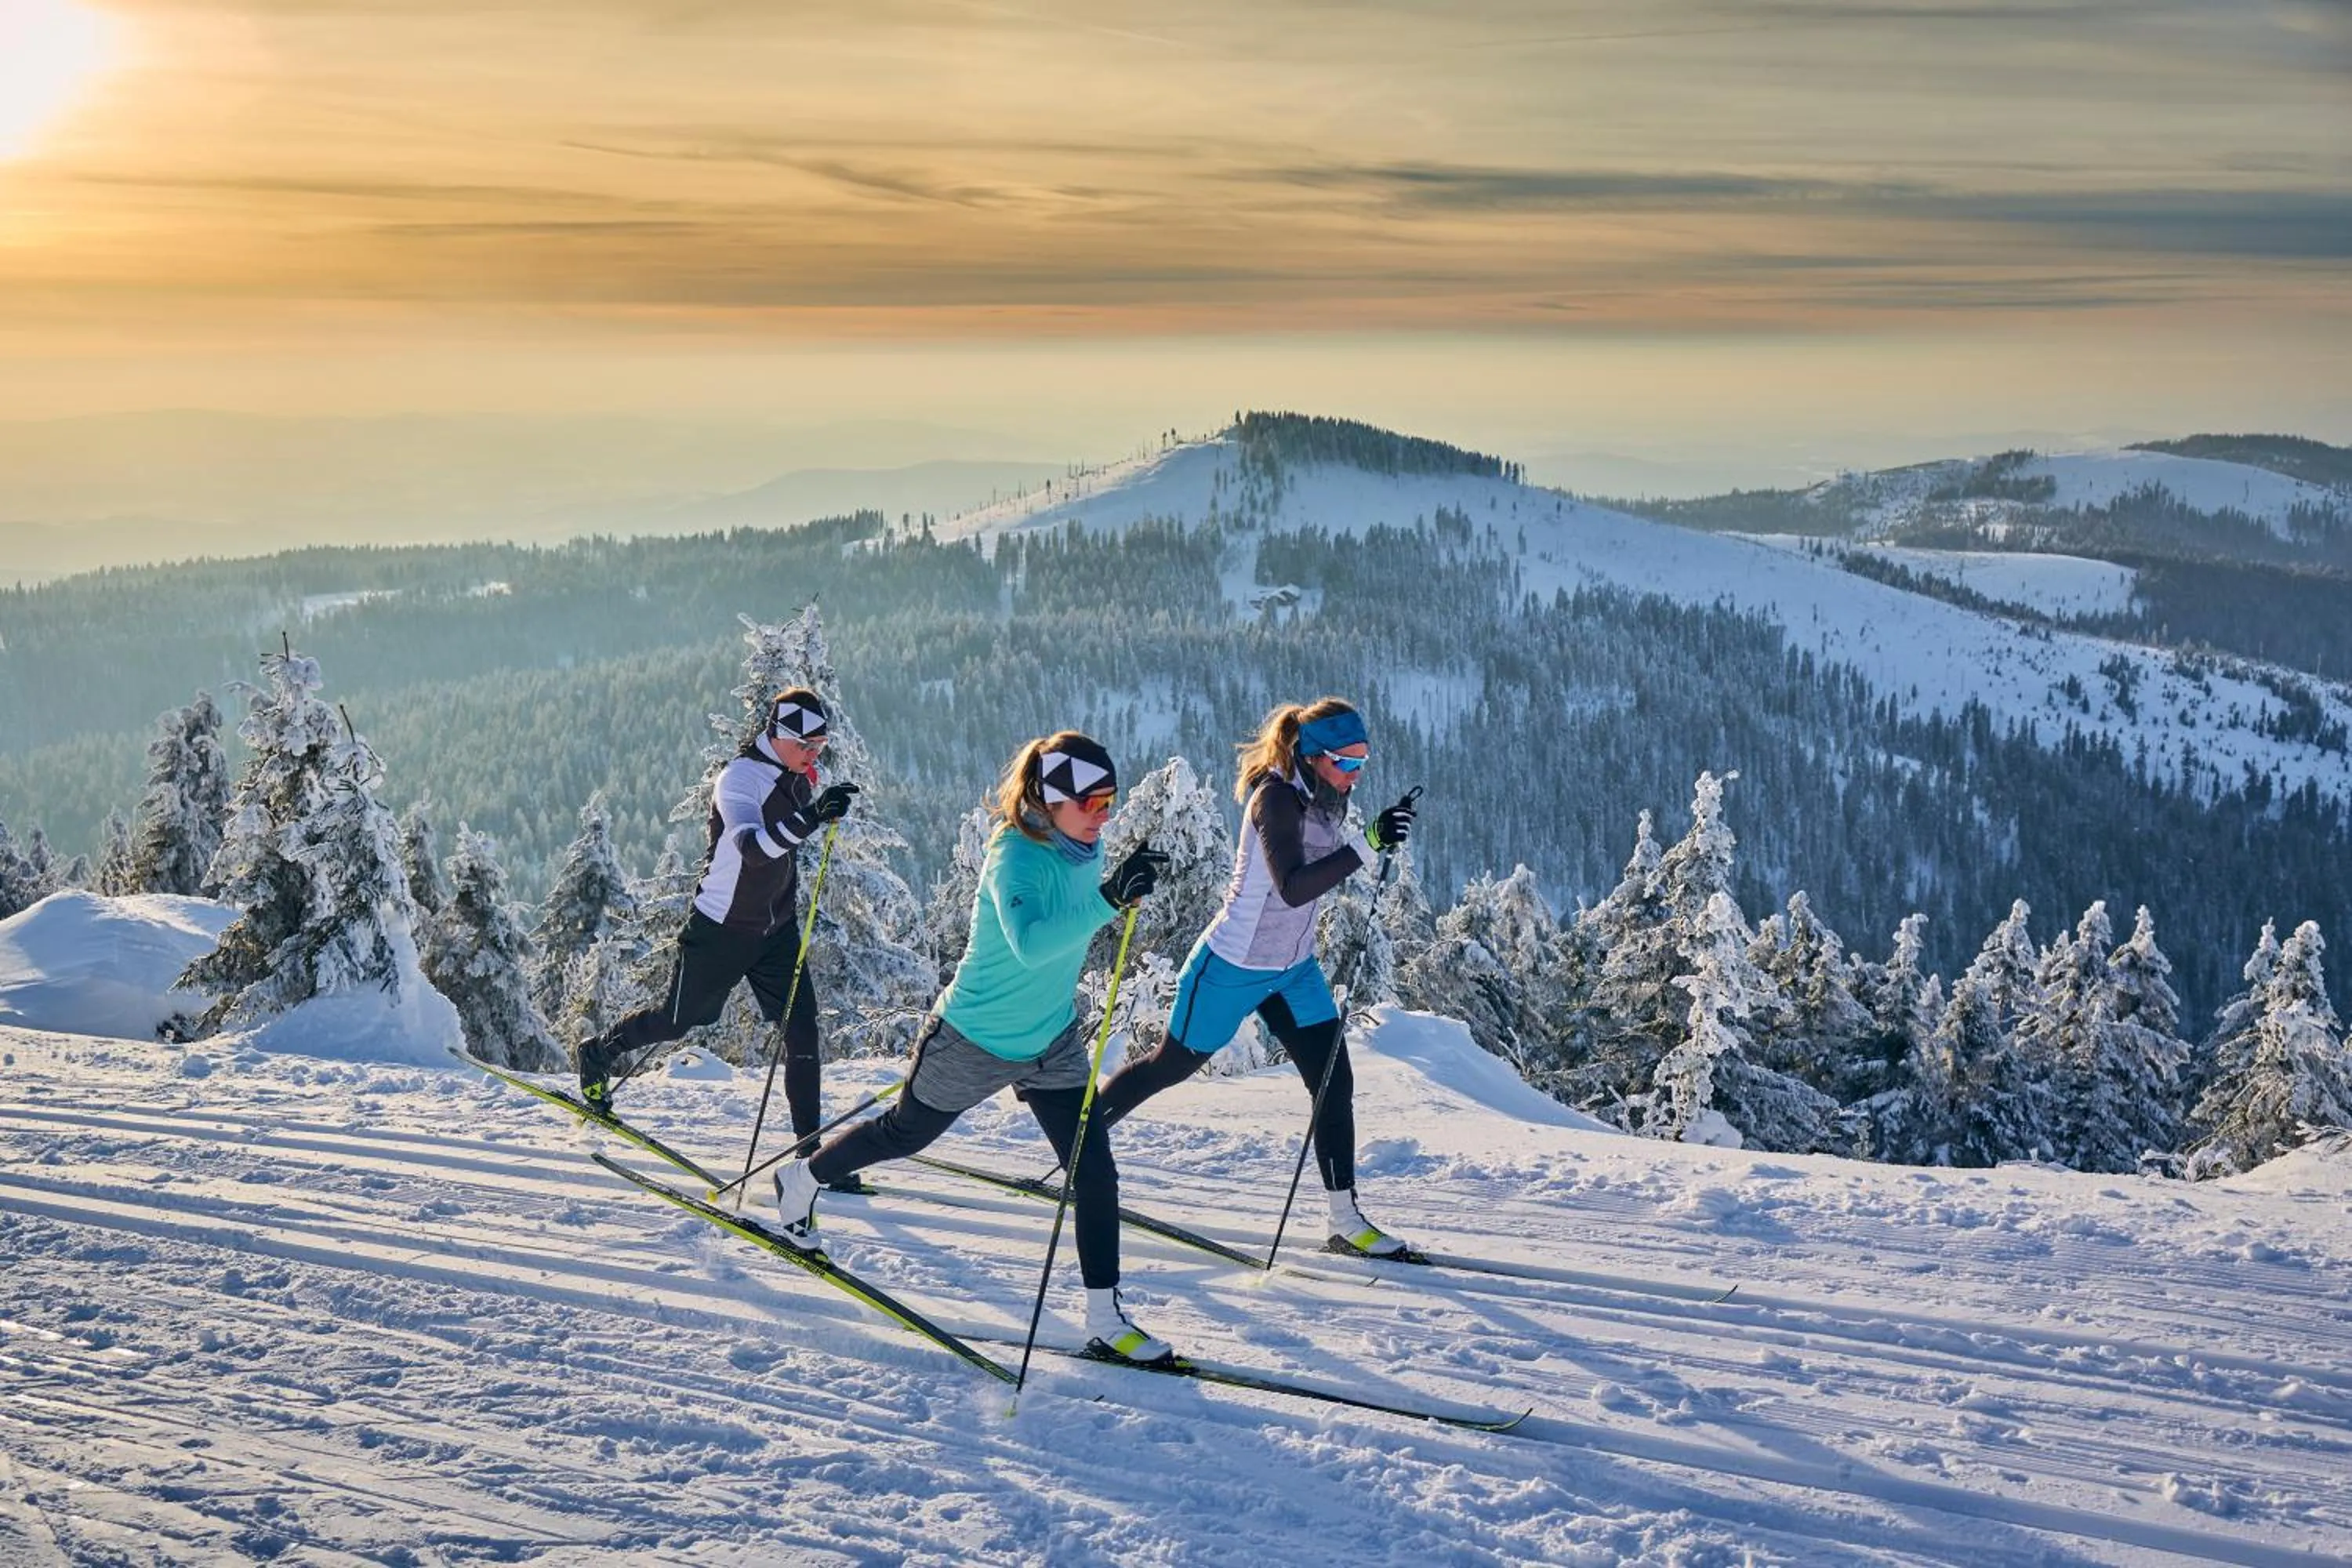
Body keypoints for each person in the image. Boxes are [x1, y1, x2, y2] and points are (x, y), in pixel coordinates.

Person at [769, 731, 1175, 1363]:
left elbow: (1078, 925)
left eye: (1111, 799)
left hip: (1052, 1040)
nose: (1105, 814)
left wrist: (1110, 893)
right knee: (905, 1134)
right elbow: (1033, 944)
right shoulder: (1014, 856)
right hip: (973, 1039)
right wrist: (1107, 900)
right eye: (1092, 801)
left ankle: (1104, 1316)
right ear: (1050, 798)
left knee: (1095, 1172)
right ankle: (801, 1177)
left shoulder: (1084, 847)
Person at [1093, 698, 1420, 1258]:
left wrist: (1373, 838)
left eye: (1363, 761)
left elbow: (1326, 866)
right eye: (1346, 762)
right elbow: (1292, 885)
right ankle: (1080, 1149)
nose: (1356, 773)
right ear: (1313, 756)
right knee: (1168, 1067)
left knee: (1333, 1083)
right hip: (1232, 966)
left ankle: (1344, 1218)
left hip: (1292, 970)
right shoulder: (1275, 799)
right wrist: (1367, 845)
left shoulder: (1327, 793)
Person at [576, 688, 858, 1174]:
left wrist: (814, 811)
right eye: (807, 746)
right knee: (679, 1021)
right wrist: (812, 816)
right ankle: (599, 1053)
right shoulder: (739, 779)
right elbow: (752, 849)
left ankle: (812, 1160)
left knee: (803, 1033)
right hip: (721, 929)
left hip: (777, 932)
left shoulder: (796, 775)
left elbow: (787, 842)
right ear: (778, 735)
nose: (815, 756)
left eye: (821, 746)